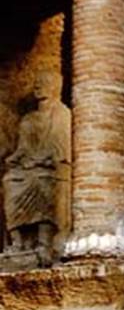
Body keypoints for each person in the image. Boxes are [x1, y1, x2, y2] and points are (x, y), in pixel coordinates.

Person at [2, 72, 71, 259]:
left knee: (43, 181)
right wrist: (14, 159)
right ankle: (17, 242)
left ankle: (44, 241)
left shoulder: (62, 114)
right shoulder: (28, 119)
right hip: (30, 165)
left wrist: (41, 160)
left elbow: (61, 148)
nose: (38, 87)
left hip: (49, 166)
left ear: (55, 87)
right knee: (10, 181)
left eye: (44, 82)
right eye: (37, 83)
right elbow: (23, 149)